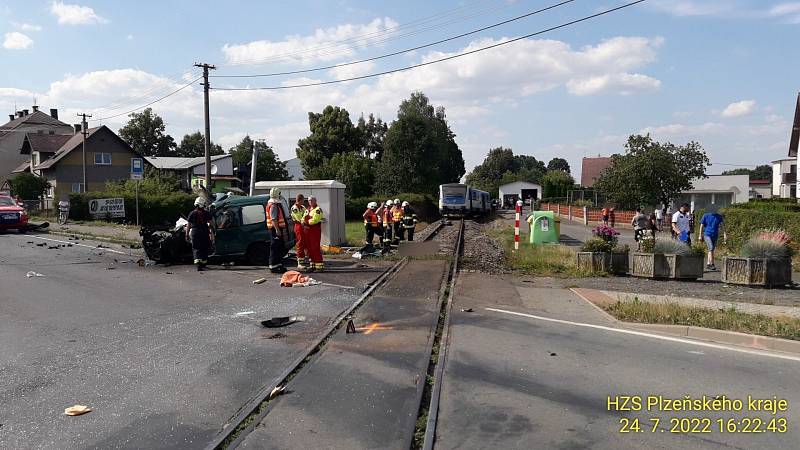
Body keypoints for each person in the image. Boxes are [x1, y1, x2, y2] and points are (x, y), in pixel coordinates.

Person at [266, 187, 290, 273]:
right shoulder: (273, 205)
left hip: (275, 229)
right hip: (275, 229)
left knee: (279, 247)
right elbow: (274, 219)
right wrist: (277, 230)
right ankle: (273, 265)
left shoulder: (273, 204)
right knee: (275, 248)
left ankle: (278, 264)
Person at [186, 197, 214, 271]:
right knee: (204, 247)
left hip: (195, 232)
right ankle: (203, 263)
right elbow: (211, 224)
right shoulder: (206, 213)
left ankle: (198, 264)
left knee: (196, 248)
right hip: (204, 232)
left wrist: (186, 235)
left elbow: (188, 225)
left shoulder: (192, 213)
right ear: (203, 205)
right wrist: (211, 232)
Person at [698, 205, 726, 270]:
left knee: (711, 250)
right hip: (707, 234)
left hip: (715, 235)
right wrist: (700, 235)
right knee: (711, 248)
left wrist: (725, 234)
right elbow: (701, 226)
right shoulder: (705, 215)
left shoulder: (719, 217)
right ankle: (712, 264)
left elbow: (722, 226)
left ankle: (708, 263)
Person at [303, 195, 324, 272]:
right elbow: (303, 218)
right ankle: (312, 265)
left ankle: (319, 266)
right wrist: (304, 221)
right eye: (309, 200)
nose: (310, 202)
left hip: (315, 230)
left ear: (315, 201)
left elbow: (315, 220)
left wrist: (307, 221)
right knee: (309, 248)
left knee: (315, 247)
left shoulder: (318, 210)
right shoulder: (307, 209)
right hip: (308, 231)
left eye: (311, 200)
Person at [290, 194, 308, 269]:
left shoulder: (302, 207)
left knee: (305, 242)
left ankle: (303, 259)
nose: (304, 201)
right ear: (300, 200)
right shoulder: (294, 208)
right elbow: (299, 218)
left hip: (303, 225)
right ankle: (299, 263)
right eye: (303, 200)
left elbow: (307, 214)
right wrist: (305, 224)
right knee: (300, 243)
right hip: (299, 226)